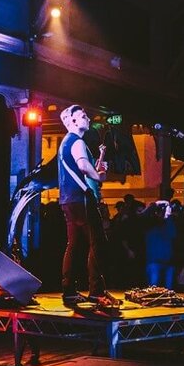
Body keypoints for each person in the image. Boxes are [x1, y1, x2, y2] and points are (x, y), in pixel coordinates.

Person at [56, 104, 116, 308]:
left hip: (68, 200)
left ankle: (69, 291)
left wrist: (97, 169)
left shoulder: (65, 143)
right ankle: (96, 292)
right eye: (83, 116)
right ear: (73, 121)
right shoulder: (77, 141)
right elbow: (83, 166)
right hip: (82, 198)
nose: (88, 119)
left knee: (73, 245)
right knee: (97, 242)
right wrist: (98, 176)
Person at [141, 200, 176, 288]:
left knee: (167, 289)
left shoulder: (168, 224)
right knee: (153, 287)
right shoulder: (149, 223)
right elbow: (142, 217)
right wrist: (154, 205)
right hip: (154, 261)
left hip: (167, 261)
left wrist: (168, 214)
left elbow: (173, 233)